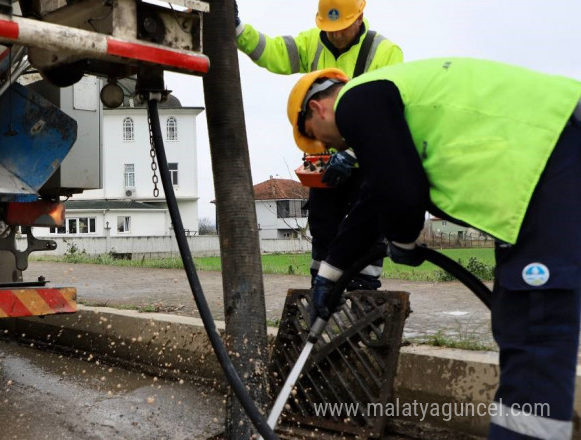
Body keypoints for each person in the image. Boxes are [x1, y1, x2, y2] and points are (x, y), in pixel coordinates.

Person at [290, 59, 581, 439]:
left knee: (534, 335)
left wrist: (404, 238)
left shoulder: (356, 100)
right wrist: (331, 274)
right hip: (544, 165)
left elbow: (400, 192)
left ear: (317, 107)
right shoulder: (395, 104)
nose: (326, 146)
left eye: (315, 136)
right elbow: (377, 198)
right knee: (522, 323)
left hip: (552, 155)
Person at [235, 0, 403, 290]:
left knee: (366, 228)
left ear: (360, 16)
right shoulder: (311, 43)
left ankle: (363, 292)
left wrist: (351, 153)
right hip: (324, 163)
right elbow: (272, 51)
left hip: (368, 162)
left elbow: (387, 113)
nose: (335, 35)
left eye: (341, 28)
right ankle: (322, 288)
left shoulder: (385, 53)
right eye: (329, 28)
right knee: (324, 228)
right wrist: (238, 30)